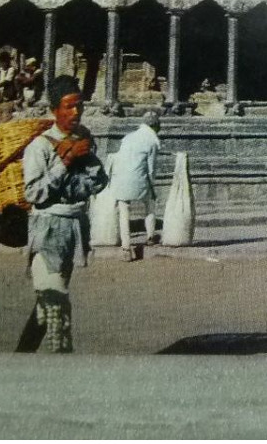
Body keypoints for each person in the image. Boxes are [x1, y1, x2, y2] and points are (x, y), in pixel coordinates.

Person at [19, 75, 108, 352]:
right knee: (56, 305)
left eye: (79, 106)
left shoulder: (83, 141)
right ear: (55, 109)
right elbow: (33, 194)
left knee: (47, 305)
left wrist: (87, 160)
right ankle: (61, 362)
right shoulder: (40, 147)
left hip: (74, 228)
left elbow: (99, 182)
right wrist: (66, 161)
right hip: (48, 227)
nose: (75, 112)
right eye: (68, 107)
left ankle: (20, 356)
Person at [109, 110, 163, 260]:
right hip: (139, 180)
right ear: (156, 126)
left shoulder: (128, 137)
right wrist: (152, 186)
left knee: (124, 210)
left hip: (120, 179)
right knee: (150, 203)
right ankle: (151, 236)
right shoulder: (152, 141)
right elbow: (151, 169)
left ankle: (126, 247)